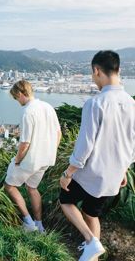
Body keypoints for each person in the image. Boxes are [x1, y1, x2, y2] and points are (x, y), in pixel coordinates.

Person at [59, 50, 135, 261]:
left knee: (65, 199)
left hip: (91, 173)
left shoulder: (95, 104)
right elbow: (132, 144)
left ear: (97, 70)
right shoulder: (132, 104)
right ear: (118, 70)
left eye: (93, 75)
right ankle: (93, 254)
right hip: (113, 176)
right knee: (92, 213)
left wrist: (68, 173)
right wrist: (124, 169)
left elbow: (84, 146)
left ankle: (91, 242)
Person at [4, 80, 62, 233]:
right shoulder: (48, 107)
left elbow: (25, 143)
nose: (17, 101)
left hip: (30, 160)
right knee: (32, 188)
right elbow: (58, 134)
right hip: (46, 159)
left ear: (20, 94)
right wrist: (50, 150)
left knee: (9, 186)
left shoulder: (28, 112)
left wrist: (17, 160)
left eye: (16, 98)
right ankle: (39, 224)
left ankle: (28, 222)